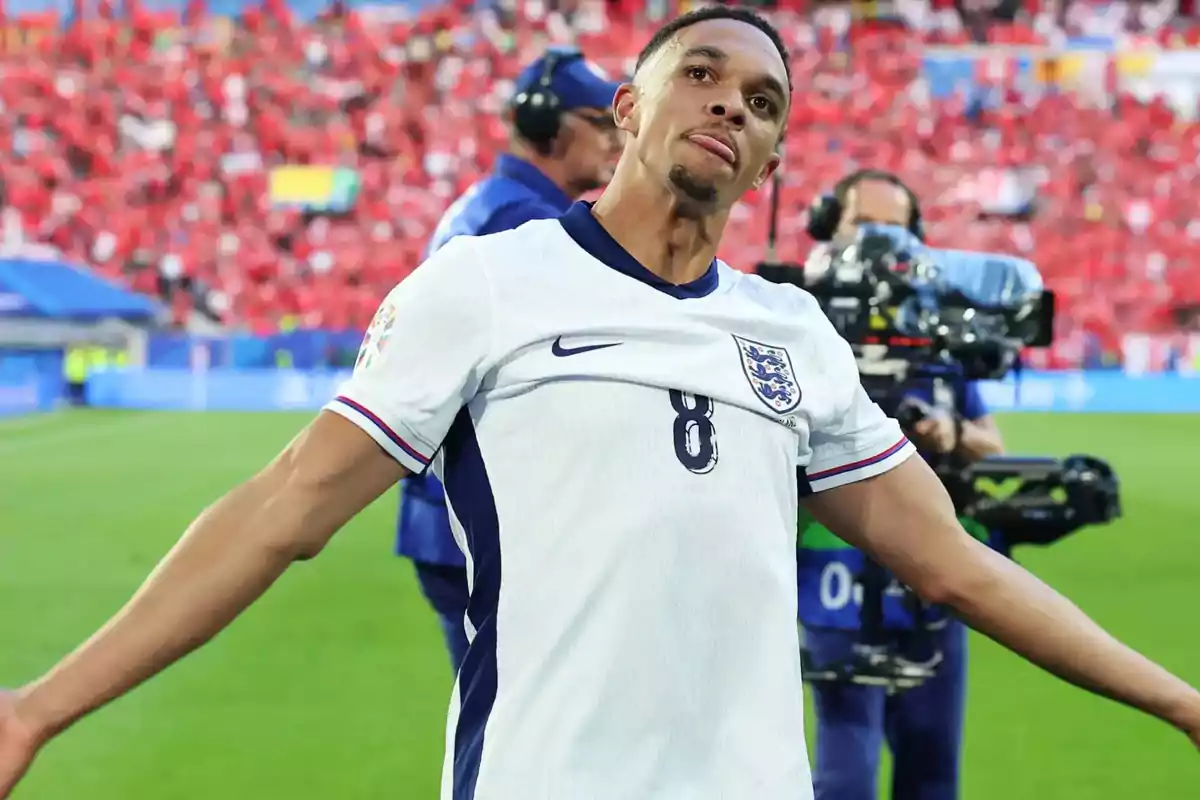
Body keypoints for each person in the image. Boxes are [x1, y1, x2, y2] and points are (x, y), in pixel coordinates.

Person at [1, 8, 1198, 800]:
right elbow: (281, 510)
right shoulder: (484, 286)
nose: (733, 105)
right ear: (628, 109)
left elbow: (957, 567)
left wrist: (1181, 702)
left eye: (765, 101)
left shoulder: (794, 336)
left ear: (774, 162)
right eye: (702, 75)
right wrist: (39, 706)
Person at [399, 45, 622, 674]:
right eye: (598, 123)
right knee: (519, 738)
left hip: (450, 508)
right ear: (547, 124)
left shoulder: (493, 202)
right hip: (487, 516)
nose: (614, 140)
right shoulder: (525, 220)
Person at [797, 170, 1006, 800]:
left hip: (929, 578)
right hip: (835, 572)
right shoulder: (803, 331)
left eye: (896, 228)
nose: (881, 244)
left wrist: (949, 433)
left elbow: (991, 442)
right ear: (829, 229)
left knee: (932, 771)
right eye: (865, 225)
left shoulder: (936, 340)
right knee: (846, 774)